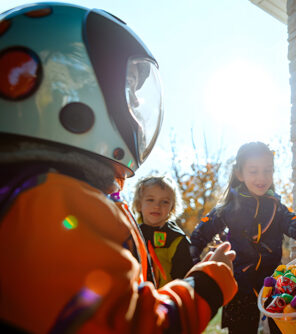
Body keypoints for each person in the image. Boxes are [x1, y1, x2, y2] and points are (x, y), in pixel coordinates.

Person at [0, 3, 237, 333]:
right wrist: (209, 282)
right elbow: (130, 324)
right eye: (127, 88)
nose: (137, 105)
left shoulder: (40, 189)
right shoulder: (48, 199)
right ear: (69, 94)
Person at [190, 141, 296, 333]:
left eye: (267, 171)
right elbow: (200, 233)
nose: (261, 177)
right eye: (254, 171)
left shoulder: (276, 208)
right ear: (240, 174)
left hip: (275, 283)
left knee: (283, 328)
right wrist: (192, 256)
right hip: (239, 286)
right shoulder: (228, 208)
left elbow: (294, 223)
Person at [132, 175, 194, 287]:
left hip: (165, 298)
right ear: (139, 204)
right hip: (136, 296)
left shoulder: (176, 239)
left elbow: (185, 277)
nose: (157, 206)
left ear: (172, 208)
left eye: (164, 202)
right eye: (150, 200)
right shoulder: (131, 234)